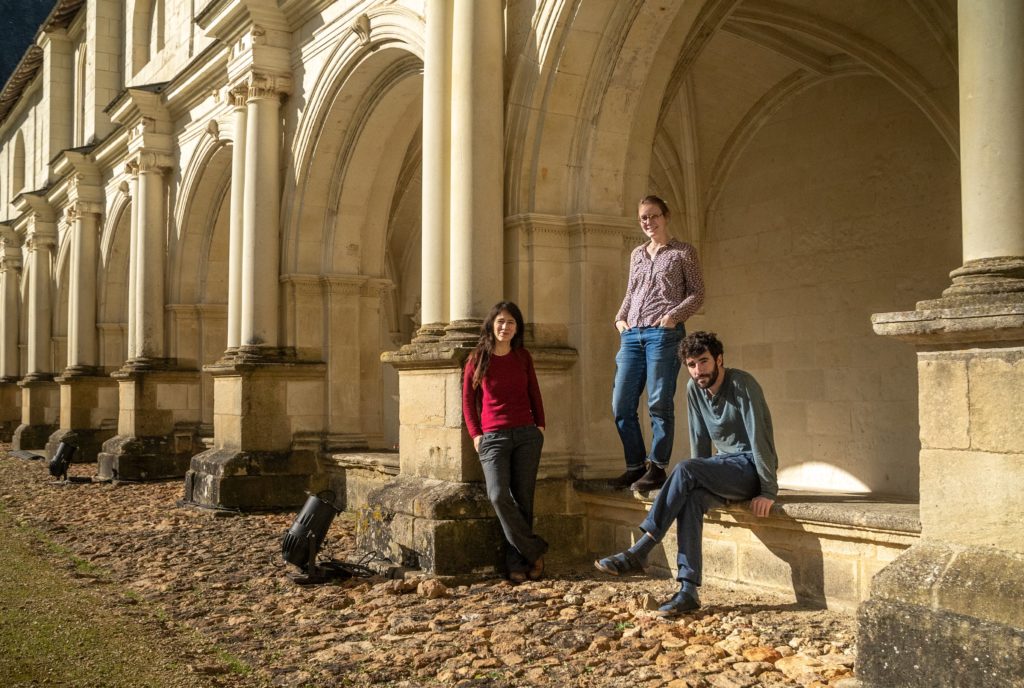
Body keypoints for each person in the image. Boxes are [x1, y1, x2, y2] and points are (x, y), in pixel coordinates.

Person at [595, 331, 779, 616]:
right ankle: (688, 589)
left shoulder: (743, 384)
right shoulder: (694, 390)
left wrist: (768, 490)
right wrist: (699, 479)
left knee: (684, 468)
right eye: (691, 365)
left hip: (750, 467)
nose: (698, 370)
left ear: (719, 359)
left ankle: (641, 549)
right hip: (723, 468)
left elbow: (760, 439)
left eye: (703, 362)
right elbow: (699, 441)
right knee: (690, 498)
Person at [611, 195, 705, 492]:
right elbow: (631, 291)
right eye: (643, 218)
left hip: (663, 334)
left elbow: (697, 294)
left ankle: (658, 467)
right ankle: (635, 465)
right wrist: (619, 319)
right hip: (632, 335)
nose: (648, 223)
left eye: (653, 216)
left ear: (666, 216)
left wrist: (672, 317)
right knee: (621, 404)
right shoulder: (637, 254)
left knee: (658, 402)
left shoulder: (683, 252)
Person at [463, 301, 548, 583]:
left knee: (524, 501)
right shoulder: (478, 358)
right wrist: (476, 435)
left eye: (511, 323)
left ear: (517, 328)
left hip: (526, 435)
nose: (505, 327)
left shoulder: (523, 357)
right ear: (491, 325)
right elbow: (467, 400)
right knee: (498, 495)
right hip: (493, 438)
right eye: (500, 321)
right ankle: (535, 551)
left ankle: (517, 564)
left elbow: (533, 391)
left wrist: (540, 426)